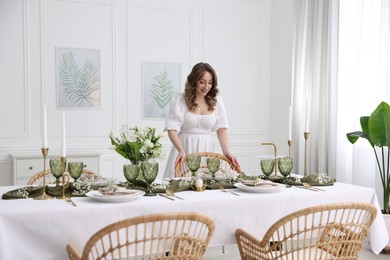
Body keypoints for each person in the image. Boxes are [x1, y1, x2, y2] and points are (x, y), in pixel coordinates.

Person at [163, 62, 240, 178]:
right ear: (194, 81)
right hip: (184, 148)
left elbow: (221, 128)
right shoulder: (180, 100)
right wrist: (180, 150)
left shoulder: (216, 100)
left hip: (206, 149)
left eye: (210, 83)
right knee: (180, 187)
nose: (206, 87)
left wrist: (227, 151)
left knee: (203, 188)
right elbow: (172, 129)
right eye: (202, 82)